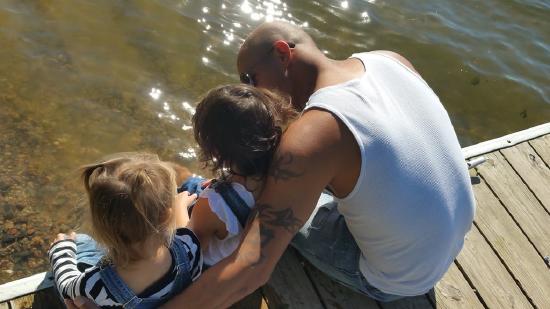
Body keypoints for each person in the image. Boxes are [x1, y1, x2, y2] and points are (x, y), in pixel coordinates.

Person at [68, 21, 476, 308]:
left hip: (399, 276)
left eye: (250, 77)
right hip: (450, 238)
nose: (250, 91)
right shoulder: (386, 59)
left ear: (283, 54)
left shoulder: (315, 134)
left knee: (258, 199)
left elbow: (250, 270)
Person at [49, 153, 202, 308]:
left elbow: (66, 287)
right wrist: (180, 207)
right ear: (166, 216)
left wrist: (61, 249)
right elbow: (183, 231)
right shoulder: (189, 247)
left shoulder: (95, 285)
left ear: (100, 224)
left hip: (105, 286)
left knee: (80, 241)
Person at [178, 84, 297, 267]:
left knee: (177, 188)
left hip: (207, 263)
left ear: (214, 149)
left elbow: (190, 249)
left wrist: (178, 208)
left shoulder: (213, 205)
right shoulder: (279, 173)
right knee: (189, 181)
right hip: (234, 227)